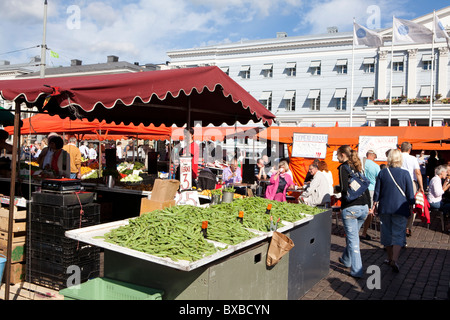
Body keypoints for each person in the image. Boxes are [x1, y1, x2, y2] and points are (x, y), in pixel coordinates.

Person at [372, 149, 415, 273]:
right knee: (398, 234)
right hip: (400, 207)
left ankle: (389, 258)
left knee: (386, 233)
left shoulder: (383, 173)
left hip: (385, 207)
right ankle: (395, 260)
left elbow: (377, 191)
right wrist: (411, 205)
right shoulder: (405, 173)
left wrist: (374, 204)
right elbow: (410, 193)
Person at [336, 145, 370, 278]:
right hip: (364, 207)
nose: (336, 157)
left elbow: (344, 189)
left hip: (351, 208)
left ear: (343, 155)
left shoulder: (343, 168)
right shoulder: (357, 167)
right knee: (353, 236)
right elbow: (365, 187)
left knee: (353, 240)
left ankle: (357, 270)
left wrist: (338, 189)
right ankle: (346, 259)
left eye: (337, 155)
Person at [401, 142, 424, 237]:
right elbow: (418, 173)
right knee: (411, 204)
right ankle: (408, 227)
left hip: (398, 182)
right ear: (409, 149)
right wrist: (421, 186)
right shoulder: (413, 159)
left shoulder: (397, 157)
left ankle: (400, 224)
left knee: (400, 203)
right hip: (411, 183)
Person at [361, 150, 380, 240]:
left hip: (361, 189)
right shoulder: (376, 166)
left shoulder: (361, 164)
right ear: (373, 156)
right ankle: (364, 232)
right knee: (370, 211)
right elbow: (379, 179)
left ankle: (357, 229)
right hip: (371, 189)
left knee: (360, 209)